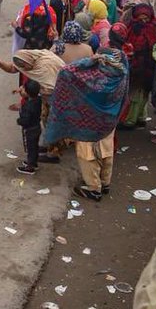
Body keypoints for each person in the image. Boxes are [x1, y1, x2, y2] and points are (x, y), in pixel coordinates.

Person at [41, 42, 129, 201]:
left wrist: (90, 61)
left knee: (88, 155)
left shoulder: (94, 78)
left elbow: (67, 71)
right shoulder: (121, 75)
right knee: (106, 152)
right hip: (109, 121)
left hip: (90, 123)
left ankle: (94, 188)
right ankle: (105, 183)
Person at [119, 2, 156, 130]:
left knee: (135, 95)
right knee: (141, 94)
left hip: (140, 67)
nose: (143, 20)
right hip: (145, 66)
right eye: (140, 18)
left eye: (145, 18)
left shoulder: (134, 28)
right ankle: (141, 117)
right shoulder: (155, 28)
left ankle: (131, 120)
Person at [16, 78, 44, 175]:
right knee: (34, 147)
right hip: (37, 127)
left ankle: (30, 166)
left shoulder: (28, 106)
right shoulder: (38, 99)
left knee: (30, 148)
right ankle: (33, 162)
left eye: (24, 88)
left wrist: (19, 121)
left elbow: (25, 120)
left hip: (29, 130)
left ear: (27, 93)